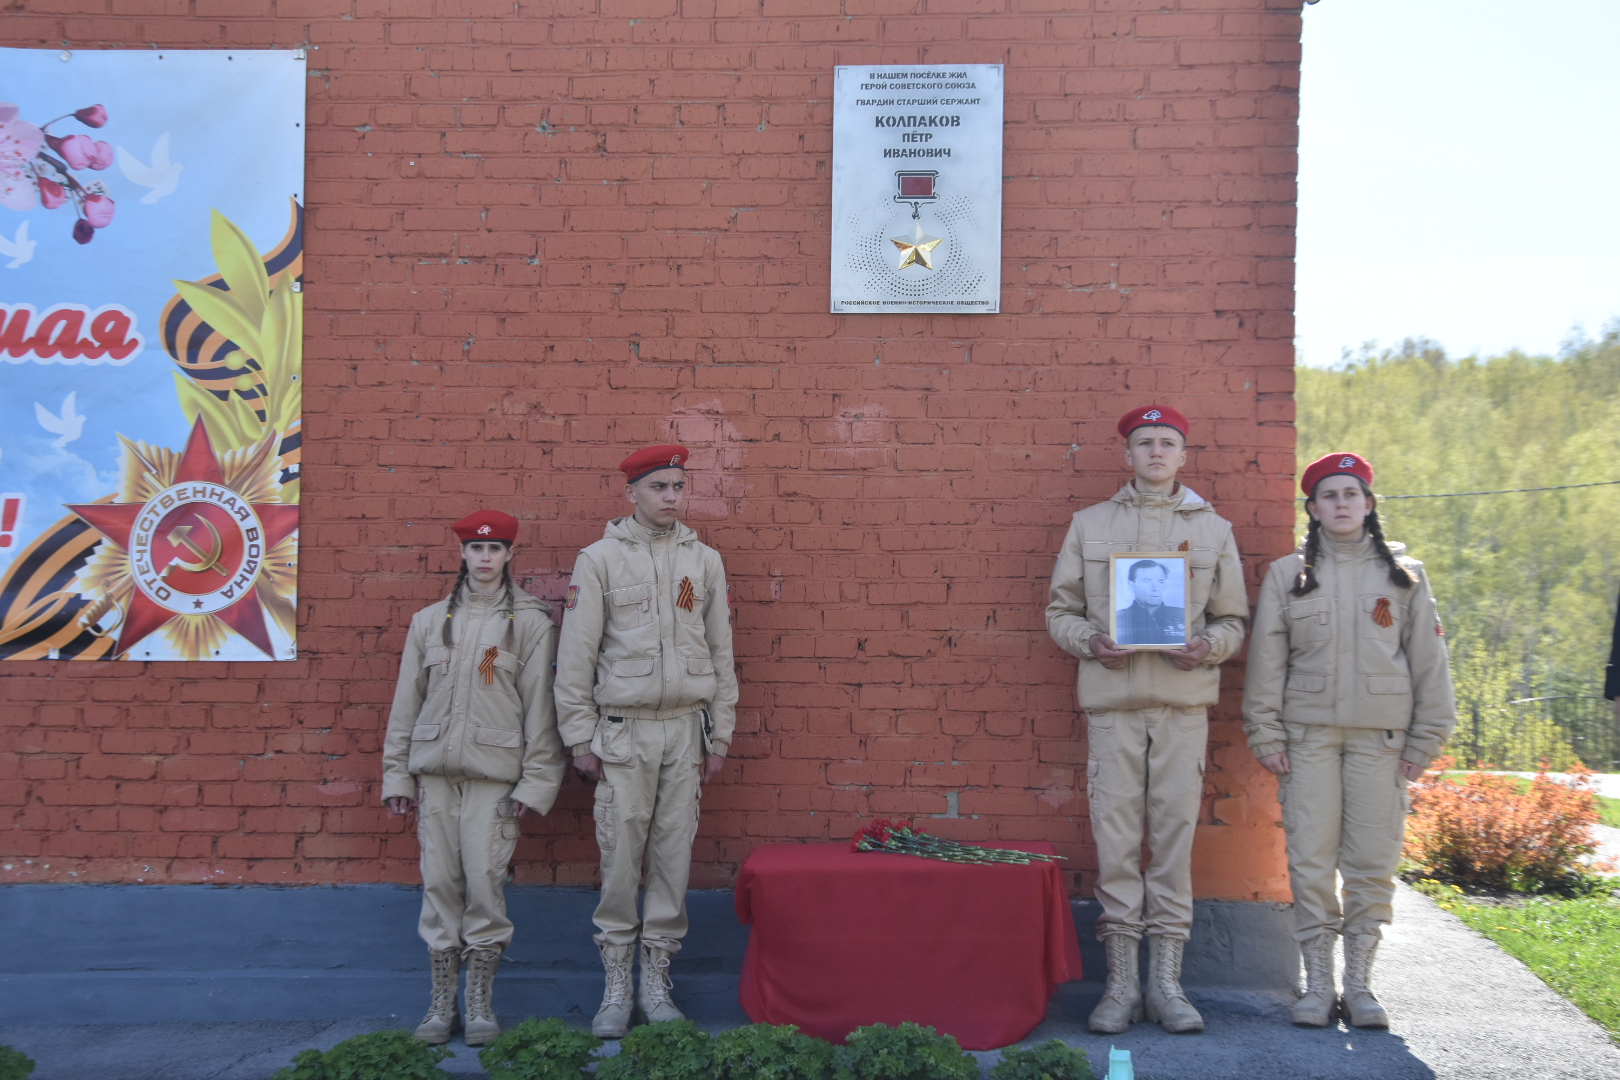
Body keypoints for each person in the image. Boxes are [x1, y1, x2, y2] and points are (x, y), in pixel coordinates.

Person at [1046, 406, 1249, 1035]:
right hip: (1113, 709)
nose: (1156, 452)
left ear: (1183, 456)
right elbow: (1059, 610)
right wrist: (1090, 642)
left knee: (1172, 844)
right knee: (1115, 844)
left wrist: (1207, 648)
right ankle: (1121, 987)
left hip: (1182, 706)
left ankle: (1167, 985)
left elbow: (1233, 621)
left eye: (1167, 443)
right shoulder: (1091, 525)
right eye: (1144, 443)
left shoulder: (1214, 531)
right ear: (1127, 455)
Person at [1243, 453, 1456, 1028]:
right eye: (1329, 496)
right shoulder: (1290, 574)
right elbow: (1267, 660)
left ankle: (1360, 986)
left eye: (1350, 494)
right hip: (1308, 738)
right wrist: (1264, 731)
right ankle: (1317, 988)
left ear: (1368, 504)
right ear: (1313, 510)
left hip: (1382, 741)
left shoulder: (1403, 574)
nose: (1341, 503)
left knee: (1370, 863)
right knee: (1310, 861)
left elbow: (1429, 663)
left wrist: (1426, 738)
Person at [554, 444, 738, 1038]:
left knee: (672, 858)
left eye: (678, 487)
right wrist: (579, 737)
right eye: (658, 487)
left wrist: (721, 734)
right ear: (631, 492)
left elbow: (721, 653)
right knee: (619, 861)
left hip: (685, 732)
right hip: (623, 735)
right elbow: (575, 655)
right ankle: (615, 988)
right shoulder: (600, 560)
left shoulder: (704, 560)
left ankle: (657, 983)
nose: (670, 497)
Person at [381, 510, 565, 1046]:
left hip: (495, 781)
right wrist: (397, 776)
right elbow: (404, 704)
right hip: (435, 777)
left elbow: (540, 711)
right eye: (477, 550)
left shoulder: (530, 622)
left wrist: (535, 783)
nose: (486, 559)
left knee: (485, 885)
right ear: (462, 554)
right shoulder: (428, 621)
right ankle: (442, 1005)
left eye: (496, 550)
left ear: (510, 556)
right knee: (439, 885)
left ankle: (480, 1004)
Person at [1115, 559, 1187, 646]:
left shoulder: (1182, 614)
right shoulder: (1119, 618)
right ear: (1131, 586)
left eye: (1160, 581)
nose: (1155, 588)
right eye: (1147, 581)